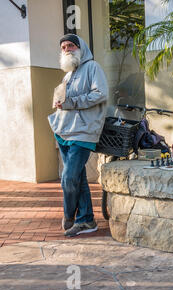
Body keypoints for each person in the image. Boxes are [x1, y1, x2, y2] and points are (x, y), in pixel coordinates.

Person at [48, 34, 108, 237]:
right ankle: (86, 220)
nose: (66, 49)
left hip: (83, 132)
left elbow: (100, 93)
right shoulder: (68, 74)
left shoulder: (92, 67)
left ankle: (69, 215)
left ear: (80, 47)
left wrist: (72, 102)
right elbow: (64, 100)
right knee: (78, 178)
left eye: (71, 45)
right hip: (64, 131)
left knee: (68, 178)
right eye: (63, 46)